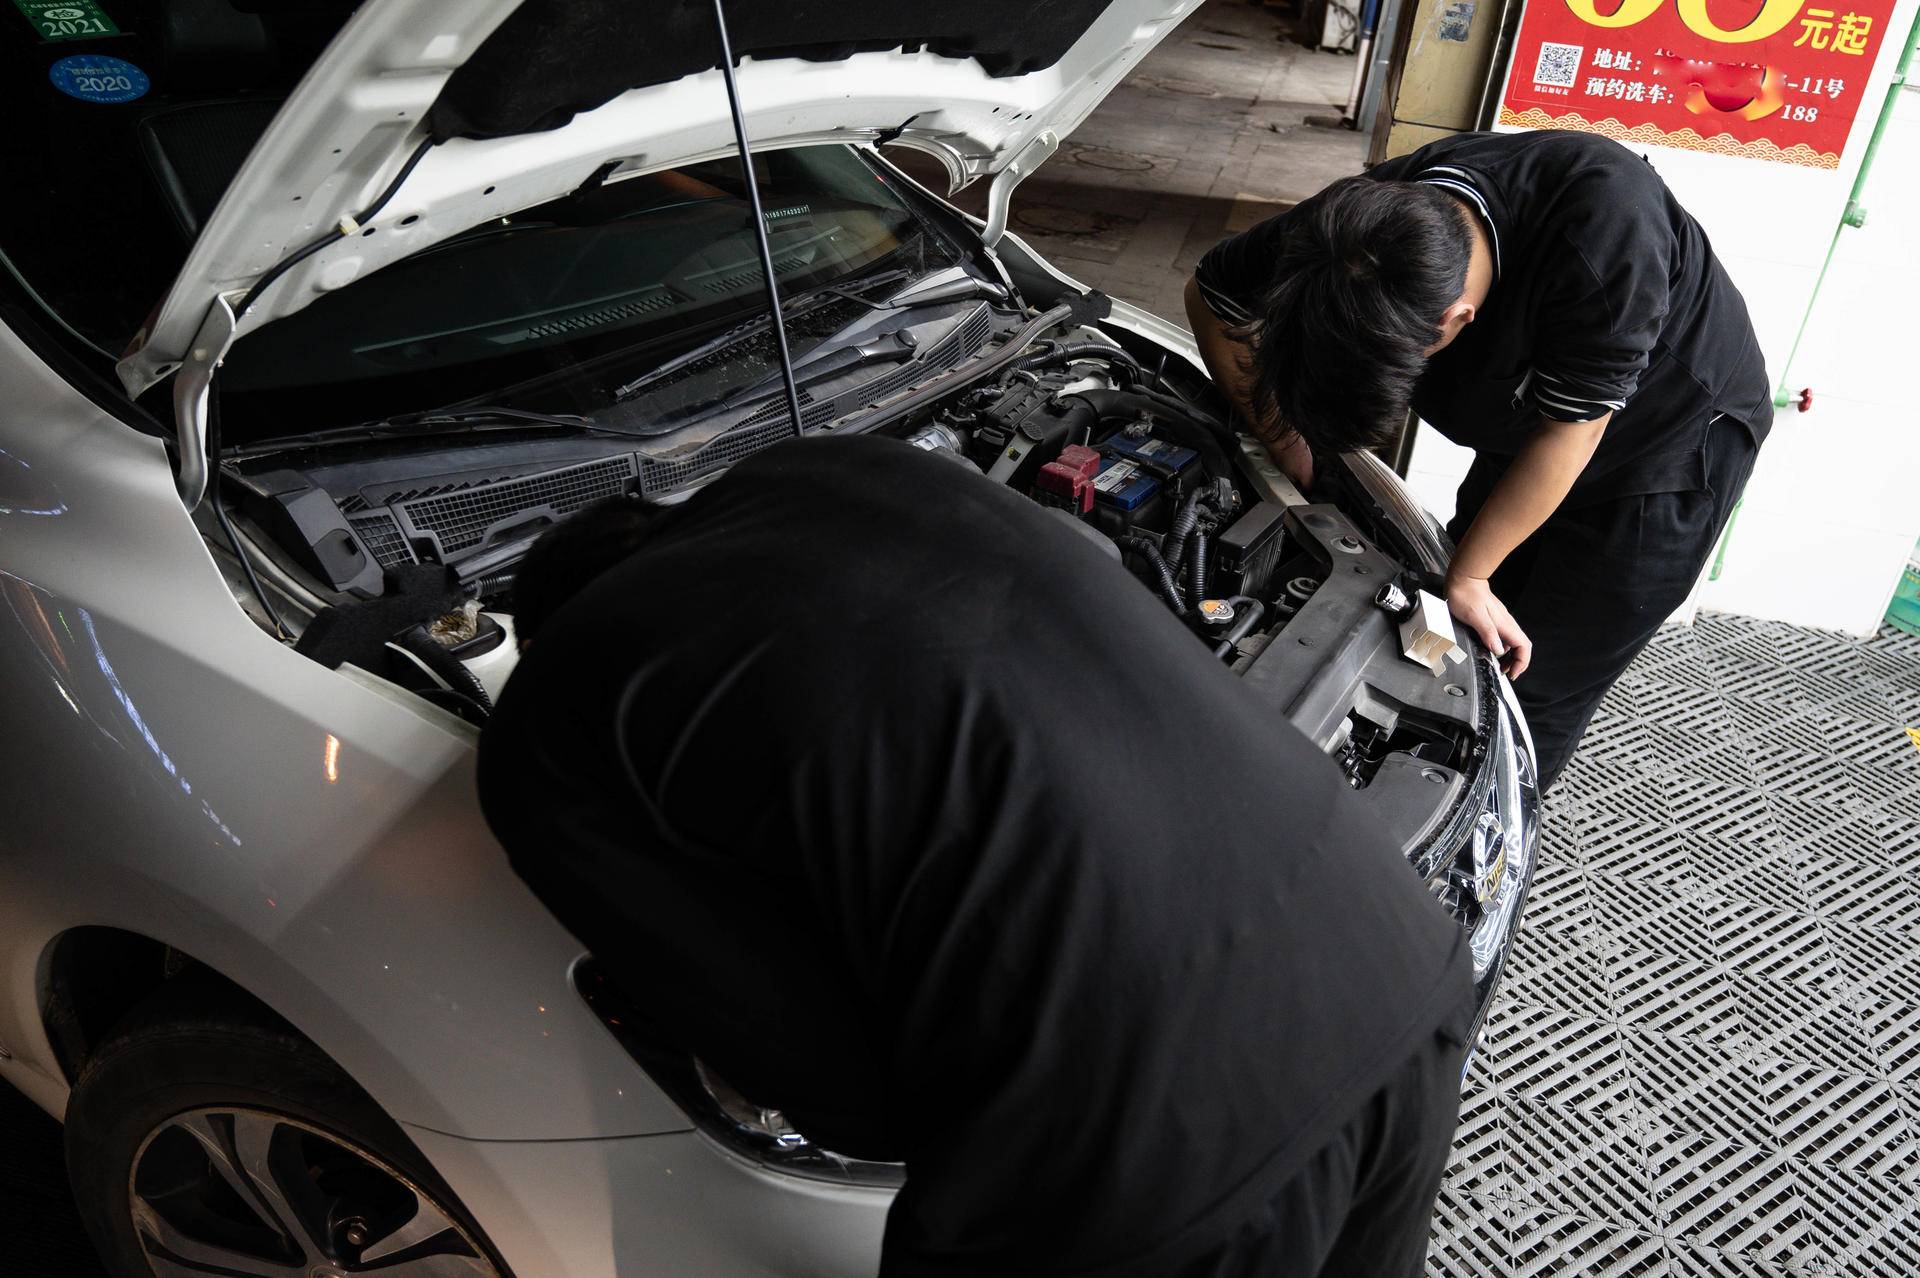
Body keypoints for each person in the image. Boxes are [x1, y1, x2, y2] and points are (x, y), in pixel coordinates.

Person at [478, 434, 1477, 1277]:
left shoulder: (546, 733)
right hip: (1392, 963)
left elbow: (842, 1098)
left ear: (541, 636)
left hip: (1156, 1168)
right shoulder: (836, 469)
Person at [1186, 130, 1770, 791]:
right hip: (1530, 432)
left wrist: (1472, 576)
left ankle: (1477, 830)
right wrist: (1284, 436)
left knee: (1529, 677)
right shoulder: (1351, 231)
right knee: (1448, 632)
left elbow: (1569, 436)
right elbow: (1213, 294)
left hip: (1663, 456)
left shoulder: (1605, 237)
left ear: (1458, 322)